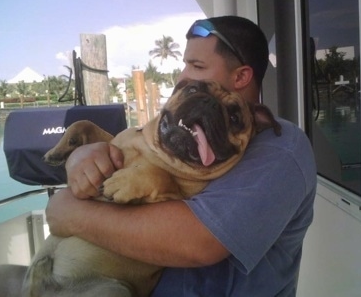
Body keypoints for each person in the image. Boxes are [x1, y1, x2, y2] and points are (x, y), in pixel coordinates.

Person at [46, 15, 317, 296]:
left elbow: (199, 242)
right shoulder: (193, 134)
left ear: (241, 77)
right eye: (184, 64)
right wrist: (83, 156)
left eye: (197, 66)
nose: (183, 77)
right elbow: (130, 153)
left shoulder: (280, 145)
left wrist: (72, 213)